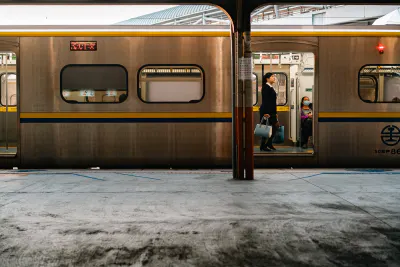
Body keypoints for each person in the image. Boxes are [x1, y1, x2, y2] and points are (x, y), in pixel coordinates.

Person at [259, 73, 279, 151]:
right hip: (267, 111)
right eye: (272, 76)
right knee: (266, 128)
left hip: (272, 111)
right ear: (267, 79)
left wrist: (275, 113)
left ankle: (269, 144)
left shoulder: (270, 87)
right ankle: (263, 146)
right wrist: (266, 113)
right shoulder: (266, 87)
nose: (274, 78)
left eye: (274, 76)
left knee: (274, 127)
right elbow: (266, 101)